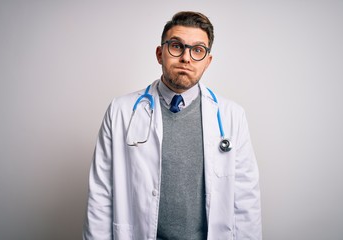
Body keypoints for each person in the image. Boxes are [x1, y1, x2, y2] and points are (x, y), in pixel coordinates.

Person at [83, 11, 262, 240]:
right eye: (177, 46)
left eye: (197, 50)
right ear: (160, 54)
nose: (186, 58)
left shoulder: (232, 116)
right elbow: (101, 195)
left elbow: (246, 200)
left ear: (207, 61)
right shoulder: (120, 111)